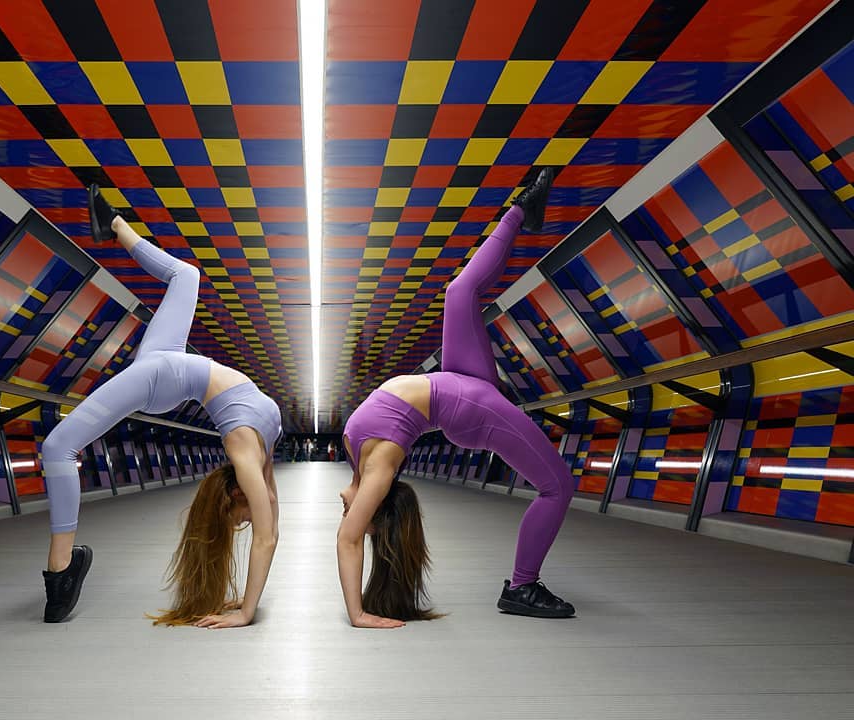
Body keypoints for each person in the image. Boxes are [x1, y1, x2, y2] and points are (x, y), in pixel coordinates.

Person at [337, 167, 576, 628]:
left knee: (459, 291)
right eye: (364, 520)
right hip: (472, 410)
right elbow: (347, 542)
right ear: (374, 514)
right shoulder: (378, 467)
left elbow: (350, 534)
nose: (350, 517)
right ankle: (522, 586)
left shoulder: (354, 451)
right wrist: (357, 614)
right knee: (558, 487)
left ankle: (522, 210)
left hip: (457, 379)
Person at [40, 185, 281, 628]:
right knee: (186, 276)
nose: (249, 522)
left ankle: (60, 574)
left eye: (238, 521)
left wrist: (246, 611)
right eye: (242, 521)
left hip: (165, 376)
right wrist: (246, 610)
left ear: (234, 495)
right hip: (166, 364)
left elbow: (266, 537)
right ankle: (112, 222)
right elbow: (270, 536)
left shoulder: (247, 458)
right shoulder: (255, 467)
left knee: (57, 449)